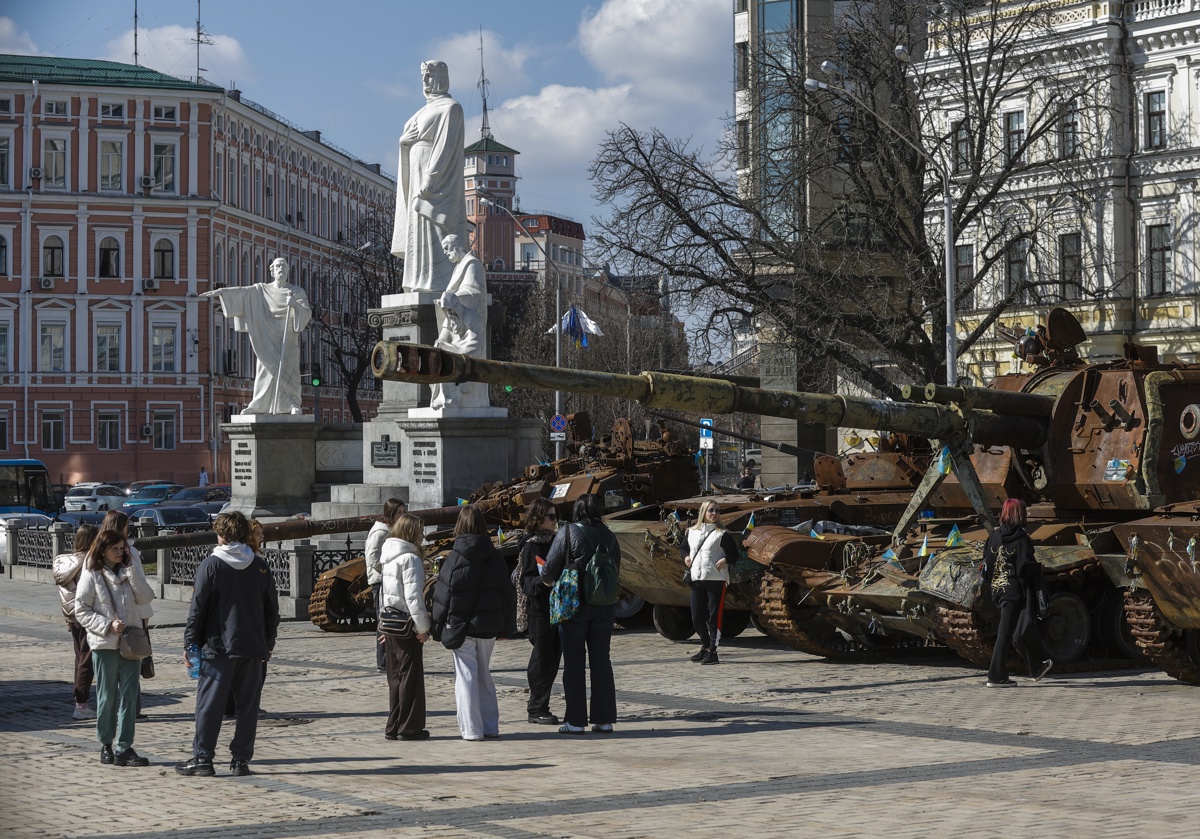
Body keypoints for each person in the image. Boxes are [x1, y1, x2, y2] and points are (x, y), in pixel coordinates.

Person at [176, 512, 280, 777]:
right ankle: (240, 761)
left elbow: (197, 610)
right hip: (252, 647)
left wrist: (190, 644)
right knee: (247, 708)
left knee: (209, 706)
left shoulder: (211, 565)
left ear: (220, 535)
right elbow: (272, 611)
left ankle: (203, 759)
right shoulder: (260, 566)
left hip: (218, 647)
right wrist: (267, 643)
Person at [430, 505, 515, 741]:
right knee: (483, 675)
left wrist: (436, 628)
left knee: (466, 676)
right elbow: (507, 594)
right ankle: (490, 726)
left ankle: (472, 729)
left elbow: (442, 596)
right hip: (488, 625)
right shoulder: (496, 556)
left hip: (461, 625)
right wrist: (507, 626)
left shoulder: (455, 557)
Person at [73, 529, 156, 766]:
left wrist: (133, 569)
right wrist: (108, 625)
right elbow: (81, 610)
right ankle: (106, 744)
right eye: (115, 549)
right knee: (107, 696)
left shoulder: (130, 571)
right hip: (105, 643)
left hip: (131, 643)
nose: (120, 552)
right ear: (103, 550)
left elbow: (146, 597)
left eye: (122, 548)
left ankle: (125, 747)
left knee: (129, 696)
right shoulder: (91, 574)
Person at [542, 494, 622, 734]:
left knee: (574, 663)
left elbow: (547, 570)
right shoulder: (610, 535)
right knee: (601, 662)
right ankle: (604, 719)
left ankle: (575, 721)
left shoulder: (567, 532)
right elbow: (616, 567)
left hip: (574, 606)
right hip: (604, 605)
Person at [390, 60, 468, 293]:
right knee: (418, 228)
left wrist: (431, 179)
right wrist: (403, 145)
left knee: (434, 227)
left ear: (442, 78)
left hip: (435, 183)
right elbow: (408, 141)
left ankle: (439, 283)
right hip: (416, 175)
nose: (425, 81)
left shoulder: (450, 108)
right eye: (423, 76)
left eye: (430, 75)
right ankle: (418, 281)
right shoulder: (421, 111)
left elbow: (446, 147)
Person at [200, 257, 312, 415]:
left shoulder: (297, 292)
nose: (281, 269)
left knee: (289, 369)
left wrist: (295, 305)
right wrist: (222, 293)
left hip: (287, 336)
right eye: (278, 266)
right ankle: (259, 405)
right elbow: (244, 293)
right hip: (265, 335)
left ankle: (292, 403)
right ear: (272, 271)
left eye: (284, 266)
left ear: (288, 271)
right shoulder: (261, 290)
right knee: (265, 369)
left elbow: (306, 313)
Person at [981, 498, 1053, 687]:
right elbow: (1025, 567)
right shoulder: (1022, 539)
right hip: (1014, 593)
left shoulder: (993, 537)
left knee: (1015, 631)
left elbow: (987, 564)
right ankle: (995, 676)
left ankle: (1036, 667)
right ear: (1019, 515)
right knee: (1005, 634)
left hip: (997, 590)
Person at [379, 513, 432, 741]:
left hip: (390, 622)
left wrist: (382, 626)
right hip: (406, 624)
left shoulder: (389, 554)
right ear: (412, 532)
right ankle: (409, 727)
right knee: (410, 677)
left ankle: (393, 725)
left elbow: (383, 593)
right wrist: (423, 628)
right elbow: (414, 598)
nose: (423, 535)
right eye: (420, 530)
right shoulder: (410, 558)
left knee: (395, 678)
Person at [100, 510, 153, 717]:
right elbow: (139, 584)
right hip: (130, 615)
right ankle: (131, 709)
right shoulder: (129, 550)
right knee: (132, 655)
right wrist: (144, 613)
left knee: (114, 667)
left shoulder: (97, 549)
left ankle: (120, 710)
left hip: (107, 616)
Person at [517, 498, 563, 725]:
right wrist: (543, 582)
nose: (555, 521)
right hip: (539, 609)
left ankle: (542, 705)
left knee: (554, 657)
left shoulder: (557, 540)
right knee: (542, 658)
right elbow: (525, 582)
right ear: (538, 519)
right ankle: (536, 707)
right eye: (551, 517)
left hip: (558, 606)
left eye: (556, 517)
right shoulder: (531, 545)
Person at [431, 234, 489, 410]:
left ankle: (452, 399)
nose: (446, 254)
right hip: (456, 319)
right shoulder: (458, 267)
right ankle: (442, 398)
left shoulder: (473, 264)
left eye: (447, 249)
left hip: (467, 326)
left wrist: (453, 300)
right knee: (438, 353)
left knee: (452, 360)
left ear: (456, 246)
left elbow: (474, 293)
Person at [682, 500, 739, 665]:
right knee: (696, 617)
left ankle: (713, 651)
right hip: (697, 579)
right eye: (711, 510)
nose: (714, 513)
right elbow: (683, 548)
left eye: (717, 511)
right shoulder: (691, 532)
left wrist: (725, 560)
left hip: (716, 579)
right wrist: (685, 556)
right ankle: (706, 645)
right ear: (703, 513)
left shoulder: (722, 534)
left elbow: (734, 555)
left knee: (714, 616)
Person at [53, 524, 99, 720]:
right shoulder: (89, 560)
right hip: (87, 614)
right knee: (87, 659)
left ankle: (80, 701)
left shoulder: (65, 561)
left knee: (80, 658)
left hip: (72, 616)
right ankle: (81, 704)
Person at [366, 498, 407, 671]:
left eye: (404, 511)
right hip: (381, 581)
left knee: (391, 620)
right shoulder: (380, 532)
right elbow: (372, 556)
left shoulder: (393, 530)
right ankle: (383, 661)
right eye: (399, 512)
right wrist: (389, 569)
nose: (402, 515)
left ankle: (391, 659)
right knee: (384, 621)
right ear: (390, 513)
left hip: (390, 580)